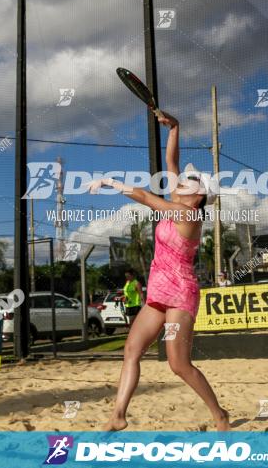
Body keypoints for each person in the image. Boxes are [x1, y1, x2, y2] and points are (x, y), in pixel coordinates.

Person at [89, 110, 229, 432]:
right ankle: (118, 415)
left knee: (178, 364)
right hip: (157, 294)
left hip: (180, 297)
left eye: (187, 182)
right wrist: (175, 127)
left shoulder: (189, 216)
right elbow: (172, 162)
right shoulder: (181, 202)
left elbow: (146, 196)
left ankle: (219, 416)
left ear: (200, 196)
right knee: (131, 350)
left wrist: (110, 181)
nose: (179, 181)